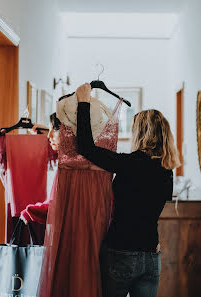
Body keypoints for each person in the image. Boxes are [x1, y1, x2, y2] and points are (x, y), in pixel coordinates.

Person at [75, 83, 181, 297]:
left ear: (141, 133)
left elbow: (86, 148)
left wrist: (83, 103)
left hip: (121, 252)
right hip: (152, 256)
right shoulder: (166, 171)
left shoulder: (130, 163)